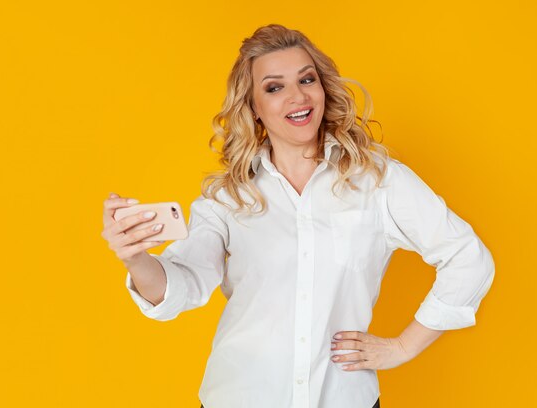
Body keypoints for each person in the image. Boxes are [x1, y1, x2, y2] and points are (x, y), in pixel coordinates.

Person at [101, 24, 495, 408]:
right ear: (254, 107)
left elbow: (467, 259)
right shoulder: (228, 196)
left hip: (343, 399)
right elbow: (182, 286)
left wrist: (403, 346)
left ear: (322, 88)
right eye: (274, 87)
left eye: (306, 80)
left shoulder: (378, 180)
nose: (297, 97)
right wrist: (136, 259)